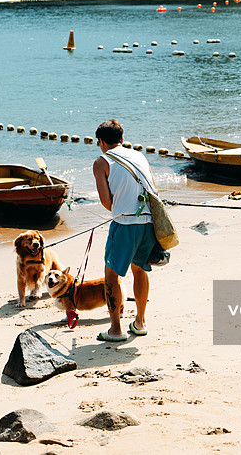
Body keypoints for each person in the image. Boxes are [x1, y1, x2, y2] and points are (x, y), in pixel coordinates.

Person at [92, 119, 158, 342]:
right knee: (140, 270)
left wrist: (122, 207)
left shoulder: (102, 162)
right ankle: (140, 322)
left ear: (101, 141)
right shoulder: (140, 155)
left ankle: (116, 329)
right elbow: (153, 190)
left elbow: (107, 202)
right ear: (121, 138)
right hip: (148, 221)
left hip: (124, 225)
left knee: (111, 274)